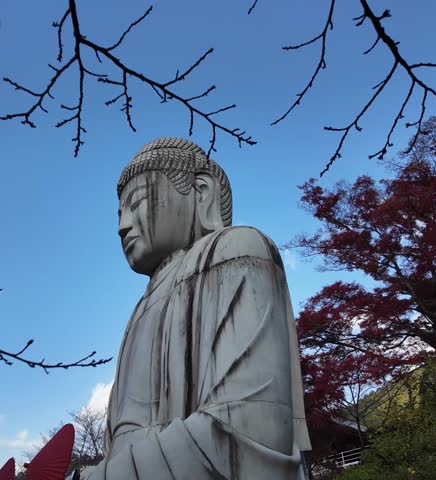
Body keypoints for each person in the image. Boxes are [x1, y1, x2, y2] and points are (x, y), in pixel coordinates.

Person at [83, 137, 311, 479]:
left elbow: (248, 429)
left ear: (201, 192)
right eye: (119, 214)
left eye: (138, 203)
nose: (122, 226)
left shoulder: (236, 249)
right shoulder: (139, 310)